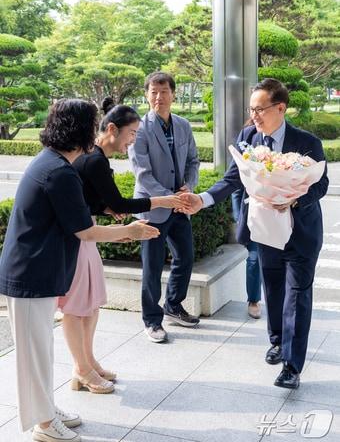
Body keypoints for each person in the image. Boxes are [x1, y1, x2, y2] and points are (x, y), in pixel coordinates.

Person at [0, 99, 159, 442]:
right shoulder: (58, 172)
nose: (97, 130)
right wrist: (130, 230)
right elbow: (84, 230)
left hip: (36, 271)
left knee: (40, 349)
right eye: (93, 125)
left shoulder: (55, 165)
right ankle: (43, 425)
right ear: (81, 131)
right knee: (35, 352)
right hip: (30, 273)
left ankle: (45, 409)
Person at [180, 78, 329, 389]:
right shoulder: (249, 136)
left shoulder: (307, 142)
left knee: (297, 296)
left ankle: (292, 365)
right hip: (264, 231)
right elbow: (233, 178)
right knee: (273, 290)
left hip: (300, 232)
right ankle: (277, 341)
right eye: (252, 110)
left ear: (280, 108)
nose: (254, 116)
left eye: (259, 109)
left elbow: (321, 184)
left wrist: (295, 198)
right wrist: (203, 199)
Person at [58, 100, 183, 392]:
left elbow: (94, 201)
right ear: (111, 129)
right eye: (132, 133)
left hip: (86, 235)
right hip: (79, 238)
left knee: (90, 303)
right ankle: (81, 369)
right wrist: (162, 200)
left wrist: (106, 209)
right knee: (77, 308)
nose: (133, 140)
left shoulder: (94, 158)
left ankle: (88, 364)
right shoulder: (95, 159)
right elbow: (117, 203)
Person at [128, 71, 200, 343]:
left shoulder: (183, 125)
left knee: (185, 257)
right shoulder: (140, 129)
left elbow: (193, 161)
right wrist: (168, 197)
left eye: (164, 91)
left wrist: (188, 188)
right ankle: (152, 319)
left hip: (180, 205)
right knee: (153, 267)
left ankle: (173, 304)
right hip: (154, 208)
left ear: (174, 93)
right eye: (153, 92)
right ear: (147, 95)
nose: (159, 97)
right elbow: (142, 173)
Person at [231, 188, 262, 319]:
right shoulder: (243, 166)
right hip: (253, 222)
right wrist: (239, 218)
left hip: (280, 218)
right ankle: (253, 300)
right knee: (254, 260)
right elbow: (236, 191)